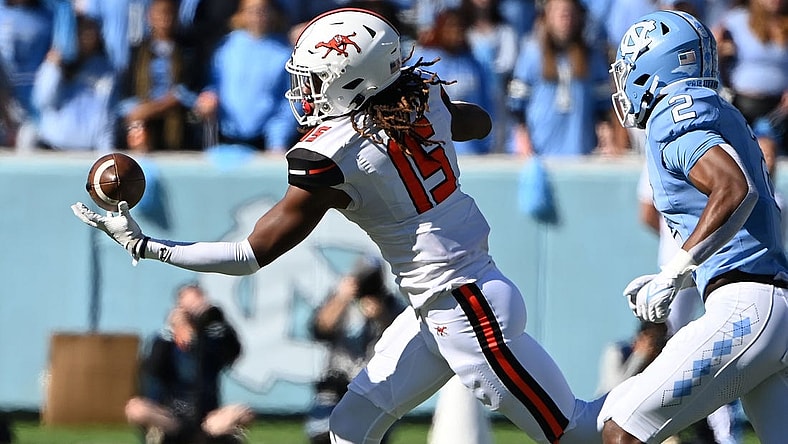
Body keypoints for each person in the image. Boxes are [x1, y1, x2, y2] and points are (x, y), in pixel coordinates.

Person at [71, 8, 605, 444]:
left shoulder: (334, 154)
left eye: (314, 82)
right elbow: (479, 121)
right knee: (349, 428)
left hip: (466, 312)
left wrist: (148, 245)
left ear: (354, 81)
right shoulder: (425, 99)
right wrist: (425, 119)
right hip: (443, 304)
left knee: (582, 432)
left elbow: (249, 255)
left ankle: (678, 387)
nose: (304, 94)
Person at [599, 9, 788, 444]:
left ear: (655, 66)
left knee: (622, 429)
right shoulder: (721, 111)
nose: (624, 82)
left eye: (629, 69)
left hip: (746, 307)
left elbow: (733, 188)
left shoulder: (674, 113)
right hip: (768, 300)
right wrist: (685, 280)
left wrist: (675, 270)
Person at [125, 284, 254, 444]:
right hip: (172, 418)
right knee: (135, 408)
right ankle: (167, 436)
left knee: (243, 412)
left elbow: (234, 352)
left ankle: (210, 437)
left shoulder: (212, 342)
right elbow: (152, 370)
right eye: (190, 305)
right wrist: (173, 329)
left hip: (208, 419)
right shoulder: (165, 342)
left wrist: (218, 320)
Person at [305, 256, 406, 444]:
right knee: (324, 436)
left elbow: (402, 338)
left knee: (371, 437)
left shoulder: (391, 304)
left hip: (375, 386)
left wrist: (381, 316)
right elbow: (320, 329)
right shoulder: (339, 300)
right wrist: (343, 297)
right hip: (335, 384)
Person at [192, 0, 296, 152]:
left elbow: (290, 101)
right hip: (226, 139)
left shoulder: (284, 53)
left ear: (273, 13)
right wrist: (208, 97)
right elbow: (214, 83)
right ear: (241, 14)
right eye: (251, 10)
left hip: (266, 142)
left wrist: (277, 141)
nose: (257, 16)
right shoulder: (225, 47)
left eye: (263, 10)